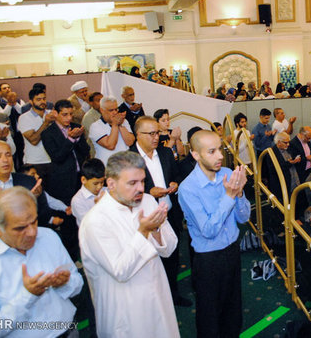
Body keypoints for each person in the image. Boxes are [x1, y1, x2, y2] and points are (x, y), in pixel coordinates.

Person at [79, 151, 180, 338]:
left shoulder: (148, 201)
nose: (141, 188)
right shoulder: (96, 220)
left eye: (142, 181)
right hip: (125, 311)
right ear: (111, 183)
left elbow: (170, 248)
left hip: (157, 296)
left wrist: (156, 230)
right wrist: (143, 232)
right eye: (132, 183)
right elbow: (120, 271)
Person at [0, 186, 83, 337]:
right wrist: (28, 296)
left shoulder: (48, 237)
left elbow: (77, 285)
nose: (32, 232)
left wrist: (64, 284)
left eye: (34, 221)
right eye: (20, 228)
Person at [178, 130, 250, 338]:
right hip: (209, 260)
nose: (219, 155)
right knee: (210, 319)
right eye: (211, 151)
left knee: (233, 311)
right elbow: (209, 230)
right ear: (196, 155)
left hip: (232, 251)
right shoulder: (188, 188)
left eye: (220, 149)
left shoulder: (227, 172)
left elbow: (243, 218)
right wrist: (229, 196)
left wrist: (241, 192)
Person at [130, 116, 192, 307]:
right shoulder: (129, 158)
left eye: (157, 132)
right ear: (137, 135)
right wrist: (149, 192)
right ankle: (153, 299)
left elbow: (177, 174)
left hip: (169, 214)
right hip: (144, 219)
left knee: (172, 256)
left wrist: (175, 183)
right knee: (149, 261)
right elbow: (127, 190)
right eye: (151, 133)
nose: (156, 137)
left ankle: (172, 294)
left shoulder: (165, 153)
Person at [0, 141, 54, 253]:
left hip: (29, 247)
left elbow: (45, 217)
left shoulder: (27, 181)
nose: (5, 160)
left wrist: (33, 200)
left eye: (8, 155)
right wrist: (3, 210)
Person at [41, 99, 89, 203]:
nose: (69, 118)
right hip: (63, 180)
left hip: (81, 176)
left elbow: (86, 151)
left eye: (71, 114)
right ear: (55, 113)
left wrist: (78, 138)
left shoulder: (76, 127)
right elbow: (57, 157)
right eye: (65, 114)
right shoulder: (47, 134)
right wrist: (71, 139)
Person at [17, 88, 54, 179]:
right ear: (31, 101)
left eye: (44, 99)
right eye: (38, 99)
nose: (42, 102)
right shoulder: (24, 118)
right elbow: (33, 140)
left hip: (53, 160)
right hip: (35, 162)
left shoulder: (51, 114)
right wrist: (46, 123)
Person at [89, 96, 135, 165]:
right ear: (102, 110)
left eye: (116, 109)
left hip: (126, 165)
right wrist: (115, 125)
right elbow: (110, 145)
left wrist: (120, 125)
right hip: (108, 167)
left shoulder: (124, 121)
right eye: (111, 110)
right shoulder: (95, 126)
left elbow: (130, 142)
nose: (115, 113)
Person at [71, 158, 105, 226]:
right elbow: (90, 224)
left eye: (102, 182)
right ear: (83, 180)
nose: (99, 187)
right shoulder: (77, 201)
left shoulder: (107, 191)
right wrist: (99, 206)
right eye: (95, 183)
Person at [81, 91, 103, 157]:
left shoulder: (105, 113)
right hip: (95, 149)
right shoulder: (88, 116)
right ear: (91, 103)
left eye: (102, 100)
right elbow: (96, 134)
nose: (101, 103)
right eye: (98, 101)